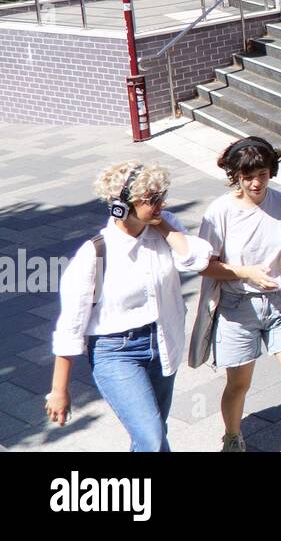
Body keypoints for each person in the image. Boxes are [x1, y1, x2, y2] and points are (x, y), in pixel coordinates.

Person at [46, 162, 213, 451]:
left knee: (154, 431)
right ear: (120, 207)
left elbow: (197, 259)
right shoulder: (94, 253)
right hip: (116, 352)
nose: (162, 203)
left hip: (162, 342)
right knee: (150, 436)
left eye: (162, 194)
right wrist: (59, 390)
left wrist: (161, 223)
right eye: (152, 199)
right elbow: (70, 326)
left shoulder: (164, 227)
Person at [197, 136, 281, 452]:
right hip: (238, 309)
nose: (256, 183)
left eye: (263, 175)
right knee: (239, 385)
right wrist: (245, 272)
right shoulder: (219, 212)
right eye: (248, 176)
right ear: (236, 175)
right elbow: (205, 266)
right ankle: (232, 436)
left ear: (272, 172)